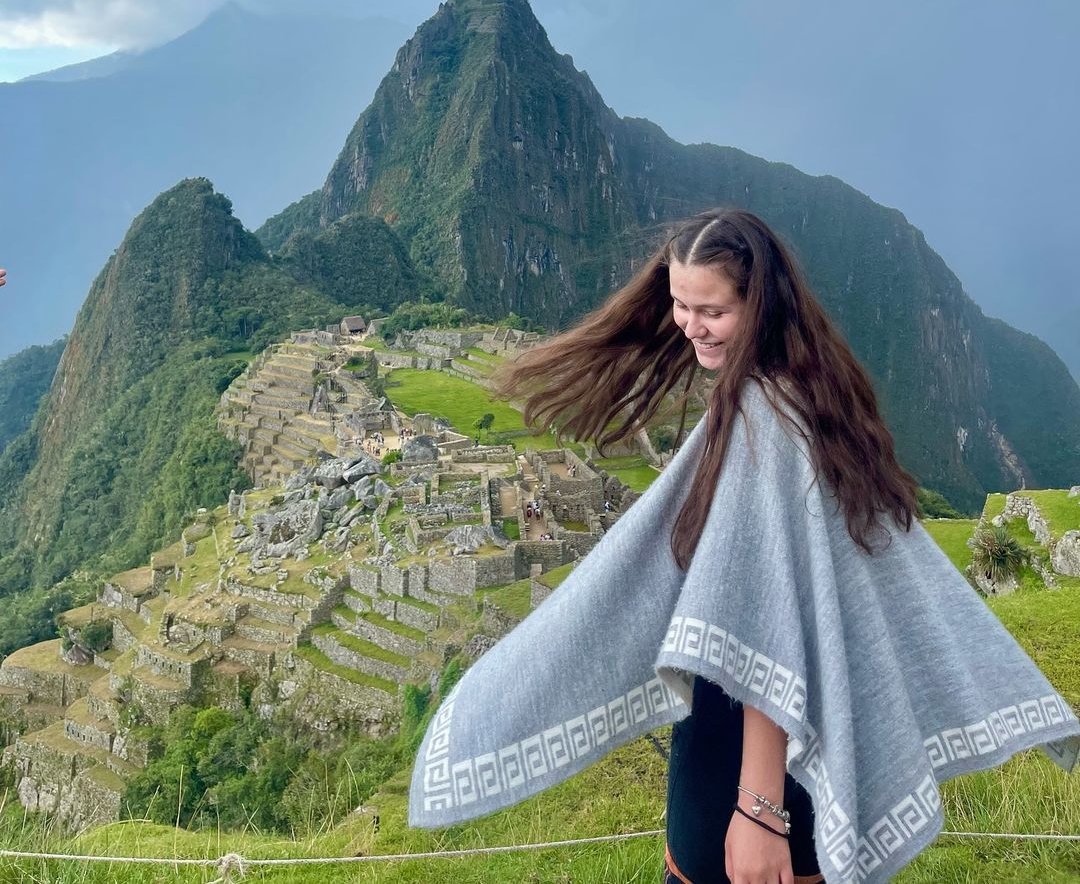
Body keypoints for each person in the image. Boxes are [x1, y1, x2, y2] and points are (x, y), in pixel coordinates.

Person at [407, 209, 1079, 884]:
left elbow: (766, 620)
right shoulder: (813, 391)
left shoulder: (764, 415)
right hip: (794, 739)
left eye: (712, 309)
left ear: (757, 303)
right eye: (678, 303)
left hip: (747, 764)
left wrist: (758, 811)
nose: (689, 324)